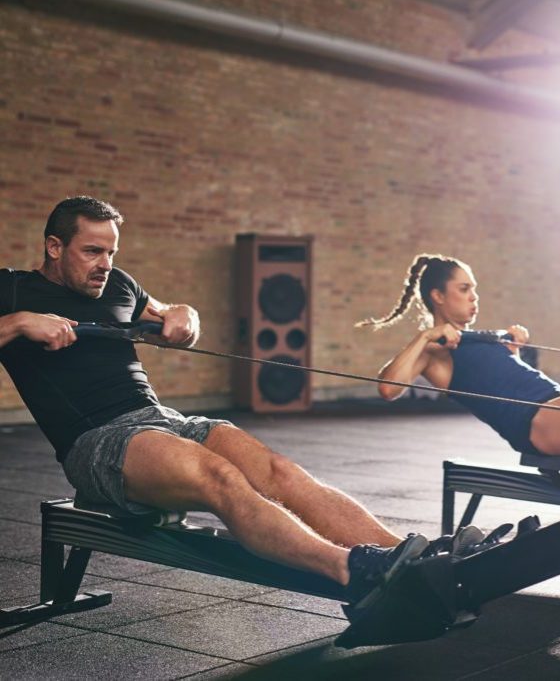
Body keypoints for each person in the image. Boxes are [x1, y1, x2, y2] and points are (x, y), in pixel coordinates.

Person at [0, 197, 489, 606]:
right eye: (92, 252)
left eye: (111, 251)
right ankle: (356, 573)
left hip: (164, 420)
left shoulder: (120, 284)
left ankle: (413, 556)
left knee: (281, 473)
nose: (105, 264)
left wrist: (185, 317)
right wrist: (20, 323)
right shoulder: (14, 288)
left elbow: (173, 315)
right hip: (98, 441)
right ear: (54, 246)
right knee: (221, 479)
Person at [357, 254, 560, 457]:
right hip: (539, 421)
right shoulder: (434, 352)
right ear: (438, 296)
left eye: (474, 289)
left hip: (557, 408)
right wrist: (424, 336)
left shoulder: (478, 339)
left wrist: (513, 352)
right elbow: (387, 388)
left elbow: (502, 382)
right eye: (464, 289)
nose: (474, 297)